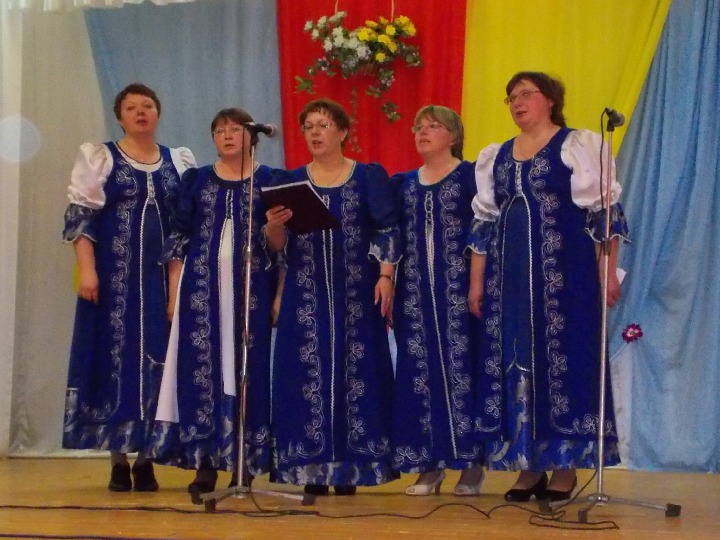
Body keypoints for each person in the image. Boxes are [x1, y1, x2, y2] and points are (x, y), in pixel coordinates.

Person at [468, 72, 629, 502]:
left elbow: (604, 212)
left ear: (550, 100)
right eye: (511, 97)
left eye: (526, 94)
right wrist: (477, 283)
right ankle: (527, 467)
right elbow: (484, 223)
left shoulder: (577, 145)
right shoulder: (497, 156)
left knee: (563, 362)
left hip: (566, 278)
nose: (518, 102)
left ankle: (564, 468)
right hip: (510, 281)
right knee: (516, 362)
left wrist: (607, 271)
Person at [61, 83, 196, 492]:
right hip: (113, 282)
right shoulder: (101, 158)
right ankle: (117, 458)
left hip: (158, 283)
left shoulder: (178, 162)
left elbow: (183, 229)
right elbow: (80, 218)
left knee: (157, 363)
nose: (140, 112)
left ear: (158, 113)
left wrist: (176, 287)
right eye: (131, 107)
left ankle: (146, 458)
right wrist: (87, 271)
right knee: (113, 362)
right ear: (119, 116)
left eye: (147, 106)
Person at [265, 98, 399, 496]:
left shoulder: (367, 177)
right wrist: (273, 226)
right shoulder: (290, 182)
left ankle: (351, 469)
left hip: (356, 292)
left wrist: (386, 275)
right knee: (305, 375)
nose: (315, 132)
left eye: (323, 124)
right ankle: (311, 468)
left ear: (342, 131)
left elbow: (387, 229)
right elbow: (278, 247)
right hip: (305, 294)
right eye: (308, 126)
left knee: (358, 374)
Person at [148, 108, 276, 504]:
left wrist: (278, 295)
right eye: (219, 130)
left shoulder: (271, 181)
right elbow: (179, 237)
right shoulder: (198, 180)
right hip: (200, 292)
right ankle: (205, 462)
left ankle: (244, 462)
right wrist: (174, 295)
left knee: (247, 370)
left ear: (252, 136)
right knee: (201, 370)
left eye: (235, 129)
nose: (227, 135)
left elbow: (283, 245)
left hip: (251, 291)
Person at [391, 105, 485, 496]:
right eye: (419, 126)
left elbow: (483, 232)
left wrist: (477, 285)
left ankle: (470, 463)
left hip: (459, 294)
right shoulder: (403, 184)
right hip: (414, 296)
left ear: (454, 135)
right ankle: (428, 465)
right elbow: (389, 235)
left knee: (464, 371)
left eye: (433, 126)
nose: (423, 132)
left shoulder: (470, 178)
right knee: (418, 373)